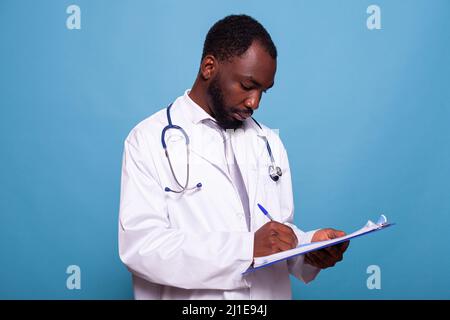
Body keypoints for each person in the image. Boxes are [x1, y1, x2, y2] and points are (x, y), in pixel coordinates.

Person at [118, 14, 349, 300]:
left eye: (263, 91)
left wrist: (308, 248)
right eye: (247, 85)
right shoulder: (148, 140)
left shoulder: (268, 142)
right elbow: (143, 248)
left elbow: (276, 232)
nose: (254, 103)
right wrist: (245, 248)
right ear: (209, 67)